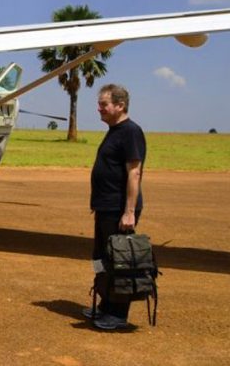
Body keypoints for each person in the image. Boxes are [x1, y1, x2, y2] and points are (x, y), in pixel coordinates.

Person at [83, 83, 146, 330]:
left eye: (103, 104)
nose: (99, 108)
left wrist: (129, 212)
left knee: (118, 261)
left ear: (120, 106)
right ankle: (105, 305)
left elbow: (134, 172)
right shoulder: (114, 130)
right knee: (100, 259)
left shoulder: (131, 131)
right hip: (104, 207)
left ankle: (118, 314)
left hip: (119, 210)